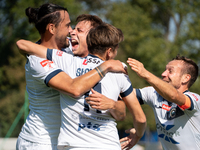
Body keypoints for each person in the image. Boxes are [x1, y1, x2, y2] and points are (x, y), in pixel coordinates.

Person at [17, 23, 146, 149]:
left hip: (74, 145)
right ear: (110, 52)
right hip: (109, 144)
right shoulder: (119, 72)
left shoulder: (67, 61)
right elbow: (140, 118)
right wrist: (138, 135)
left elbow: (24, 45)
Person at [119, 55, 200, 150]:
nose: (163, 74)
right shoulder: (154, 94)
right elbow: (124, 94)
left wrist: (146, 74)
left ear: (185, 78)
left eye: (170, 71)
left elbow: (174, 96)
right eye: (165, 70)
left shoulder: (194, 100)